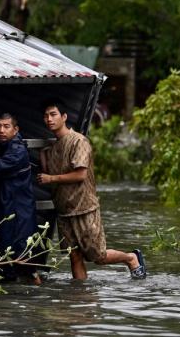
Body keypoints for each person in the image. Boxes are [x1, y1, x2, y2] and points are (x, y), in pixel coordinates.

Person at [36, 100, 147, 280]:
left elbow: (80, 174)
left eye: (53, 114)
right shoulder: (53, 147)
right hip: (64, 211)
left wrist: (51, 178)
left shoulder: (79, 141)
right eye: (46, 116)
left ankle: (131, 258)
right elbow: (49, 176)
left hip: (84, 208)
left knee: (98, 256)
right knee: (74, 257)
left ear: (64, 117)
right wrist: (44, 158)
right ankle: (80, 298)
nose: (49, 119)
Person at [0, 113, 39, 283]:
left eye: (6, 126)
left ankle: (30, 286)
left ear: (15, 129)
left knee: (21, 256)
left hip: (19, 211)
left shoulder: (17, 150)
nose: (1, 130)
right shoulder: (1, 144)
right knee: (5, 253)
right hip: (7, 208)